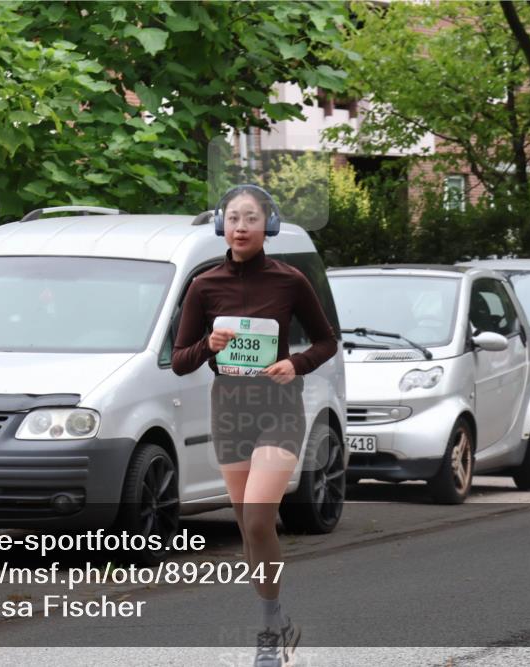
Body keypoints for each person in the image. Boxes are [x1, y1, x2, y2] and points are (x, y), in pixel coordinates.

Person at [171, 185, 337, 666]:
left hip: (279, 408)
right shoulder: (203, 285)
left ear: (270, 226)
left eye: (252, 218)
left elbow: (327, 340)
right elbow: (181, 362)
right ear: (222, 225)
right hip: (230, 412)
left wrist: (297, 365)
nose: (242, 226)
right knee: (249, 528)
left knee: (262, 517)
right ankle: (277, 620)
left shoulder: (290, 281)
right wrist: (209, 346)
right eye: (234, 218)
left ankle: (267, 629)